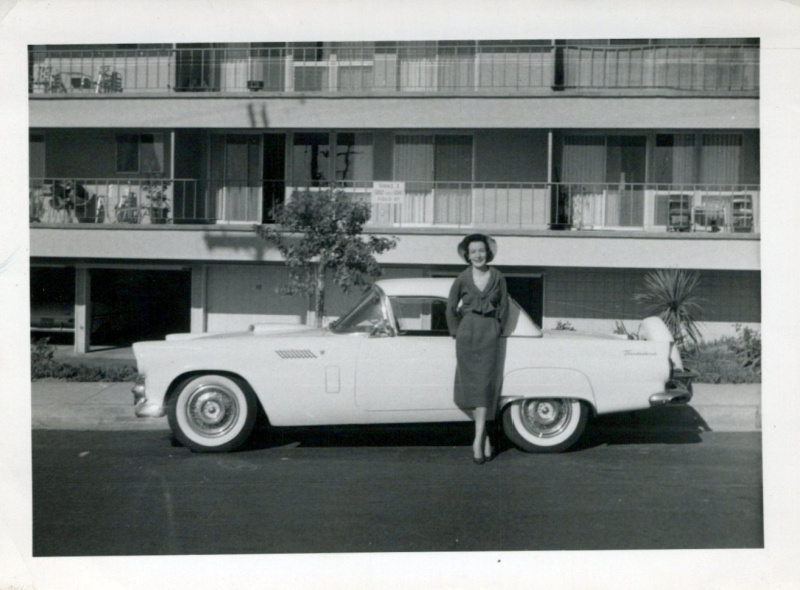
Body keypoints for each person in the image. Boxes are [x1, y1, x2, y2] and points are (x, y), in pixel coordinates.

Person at [446, 233, 509, 464]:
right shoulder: (462, 278)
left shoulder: (498, 277)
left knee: (483, 388)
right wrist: (456, 332)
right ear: (468, 255)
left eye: (481, 250)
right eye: (473, 252)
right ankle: (483, 437)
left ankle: (477, 440)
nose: (478, 255)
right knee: (470, 390)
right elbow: (450, 307)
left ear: (487, 253)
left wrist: (497, 329)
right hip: (467, 335)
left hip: (489, 335)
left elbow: (504, 307)